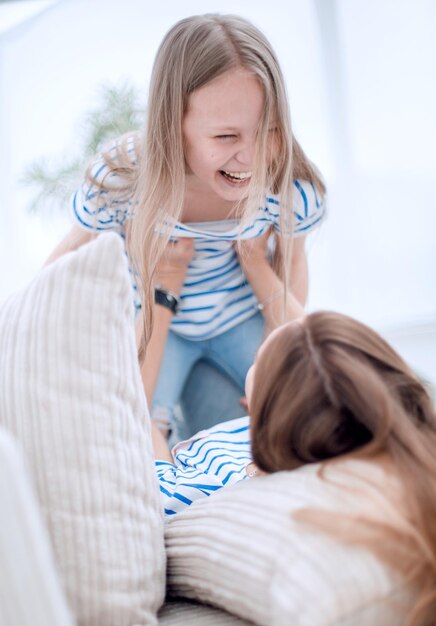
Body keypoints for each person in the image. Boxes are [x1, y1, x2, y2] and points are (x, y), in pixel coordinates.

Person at [46, 14, 326, 443]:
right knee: (131, 431)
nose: (250, 158)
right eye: (226, 137)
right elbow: (64, 262)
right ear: (173, 125)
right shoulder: (121, 180)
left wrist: (273, 358)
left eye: (268, 130)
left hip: (238, 319)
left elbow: (291, 266)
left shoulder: (288, 187)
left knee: (304, 411)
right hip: (162, 329)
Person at [149, 251, 436, 626]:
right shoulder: (340, 416)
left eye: (258, 360)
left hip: (181, 436)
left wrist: (164, 293)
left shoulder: (211, 487)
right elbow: (323, 355)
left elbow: (139, 414)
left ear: (262, 403)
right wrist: (254, 263)